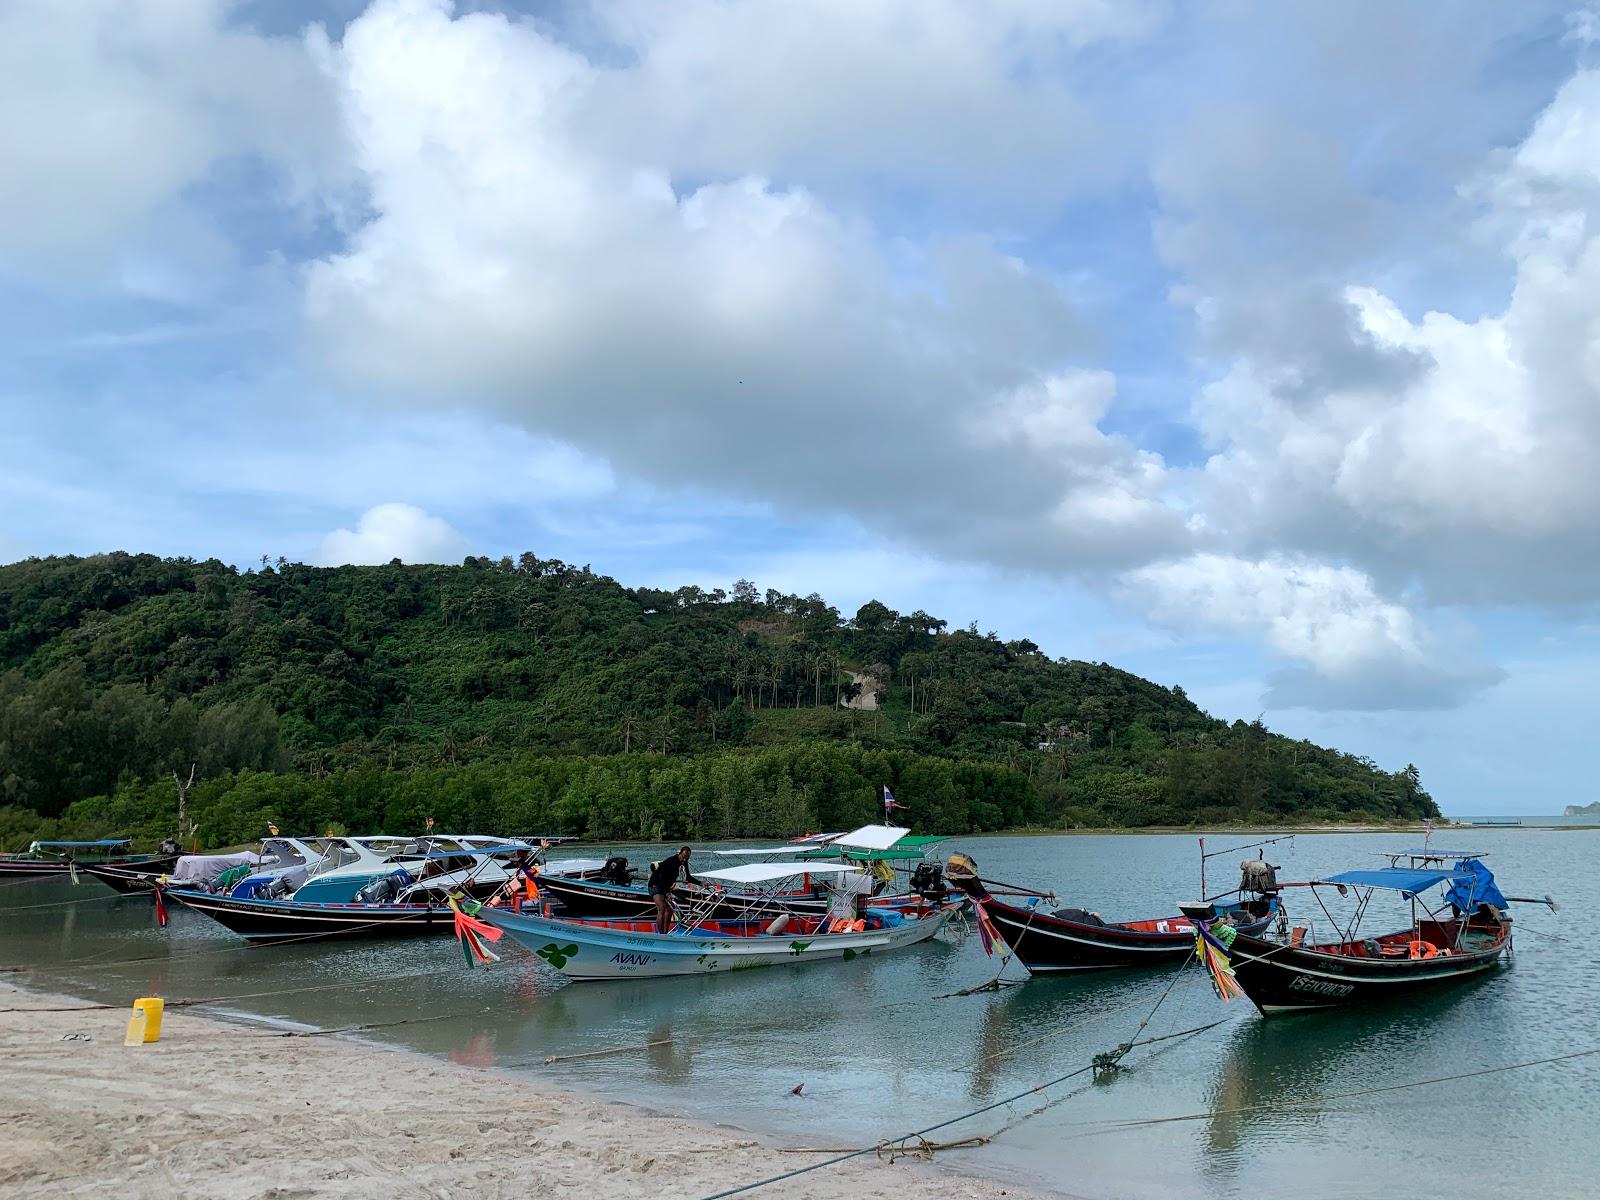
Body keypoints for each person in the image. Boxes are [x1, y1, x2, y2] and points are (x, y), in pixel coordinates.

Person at [648, 846, 699, 934]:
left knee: (670, 910)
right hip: (655, 884)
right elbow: (661, 879)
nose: (684, 859)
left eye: (687, 858)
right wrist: (667, 893)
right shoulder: (671, 861)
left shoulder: (684, 862)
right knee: (662, 908)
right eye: (683, 857)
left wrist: (701, 883)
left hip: (665, 887)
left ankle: (665, 933)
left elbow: (688, 877)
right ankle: (661, 934)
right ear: (679, 854)